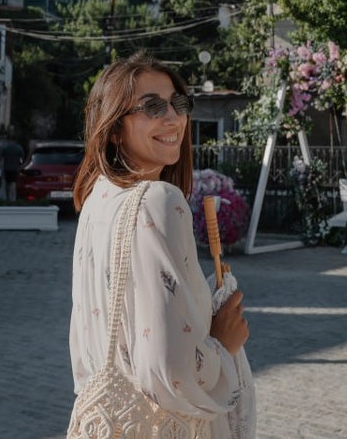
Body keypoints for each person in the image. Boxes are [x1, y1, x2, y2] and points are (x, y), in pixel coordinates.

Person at [69, 53, 253, 438]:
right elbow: (172, 370)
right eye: (152, 107)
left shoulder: (97, 200)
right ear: (114, 129)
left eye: (179, 104)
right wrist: (223, 343)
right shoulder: (159, 201)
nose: (173, 118)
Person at [0, 131, 25, 202]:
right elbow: (22, 158)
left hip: (7, 168)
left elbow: (0, 157)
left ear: (8, 140)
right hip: (15, 168)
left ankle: (8, 197)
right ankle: (13, 198)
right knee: (13, 182)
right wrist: (21, 164)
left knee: (7, 183)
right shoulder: (19, 148)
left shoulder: (5, 148)